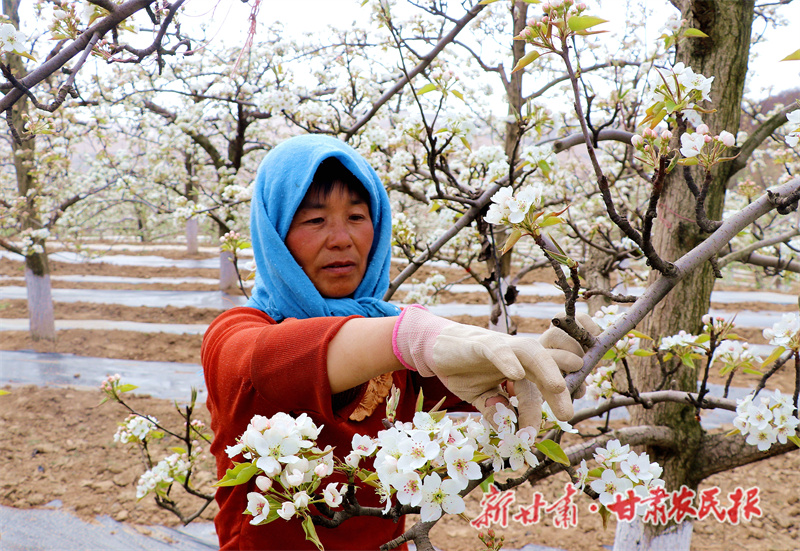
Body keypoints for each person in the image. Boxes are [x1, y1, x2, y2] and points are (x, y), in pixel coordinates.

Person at [201, 134, 595, 550]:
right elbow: (265, 361)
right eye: (315, 220)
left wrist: (535, 362)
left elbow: (485, 380)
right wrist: (410, 338)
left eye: (357, 216)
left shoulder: (390, 328)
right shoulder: (234, 333)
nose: (341, 238)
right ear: (275, 234)